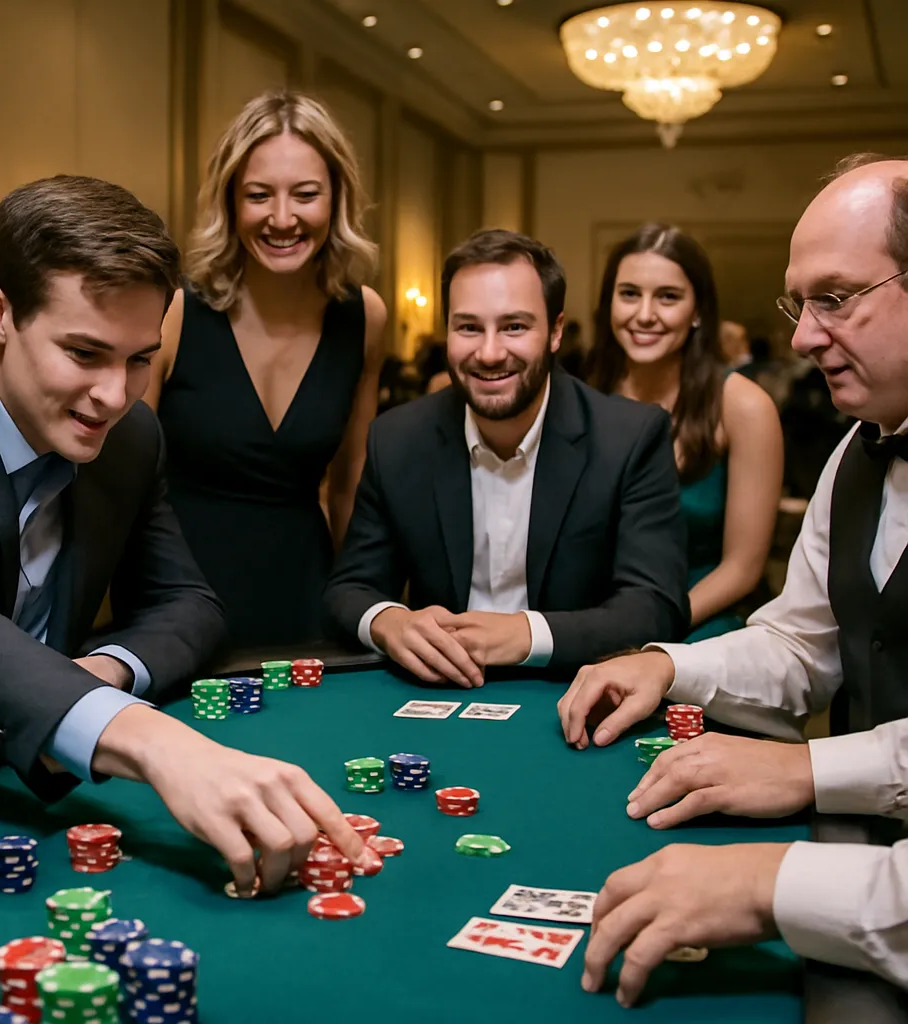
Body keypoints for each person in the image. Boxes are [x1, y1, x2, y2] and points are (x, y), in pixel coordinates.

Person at [0, 174, 365, 896]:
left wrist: (100, 676)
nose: (116, 395)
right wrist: (156, 742)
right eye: (84, 353)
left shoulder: (132, 437)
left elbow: (189, 603)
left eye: (140, 358)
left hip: (24, 784)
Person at [561, 153, 908, 1004]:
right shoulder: (855, 452)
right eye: (801, 303)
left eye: (836, 298)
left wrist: (781, 851)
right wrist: (669, 664)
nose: (798, 337)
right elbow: (799, 644)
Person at [324, 229, 689, 686]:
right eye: (468, 327)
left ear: (555, 332)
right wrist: (389, 621)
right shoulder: (398, 438)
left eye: (514, 326)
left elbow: (655, 607)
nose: (490, 352)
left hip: (572, 693)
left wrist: (524, 633)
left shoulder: (630, 438)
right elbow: (349, 588)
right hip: (436, 695)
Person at [144, 91, 388, 647]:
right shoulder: (176, 312)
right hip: (180, 599)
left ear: (337, 198)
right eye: (259, 196)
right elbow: (125, 487)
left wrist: (367, 611)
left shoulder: (365, 317)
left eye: (306, 195)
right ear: (230, 201)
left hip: (307, 597)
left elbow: (351, 487)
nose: (283, 219)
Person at [586, 225, 783, 641]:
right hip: (596, 619)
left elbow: (743, 567)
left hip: (703, 618)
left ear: (697, 311)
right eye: (629, 294)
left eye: (668, 297)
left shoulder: (743, 406)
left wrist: (648, 630)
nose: (644, 314)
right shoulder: (586, 397)